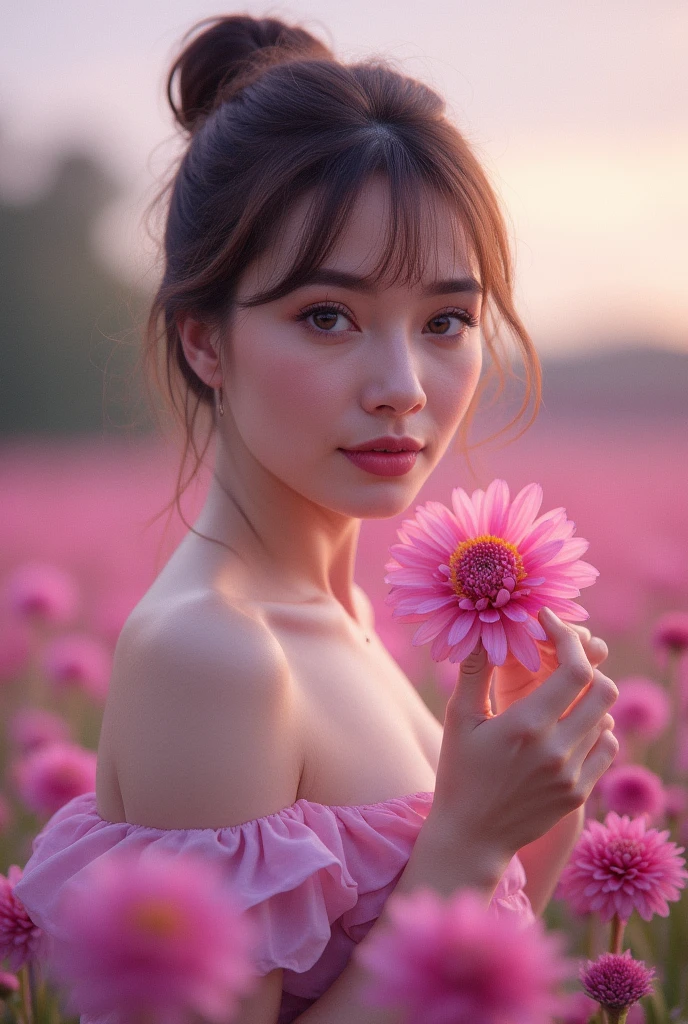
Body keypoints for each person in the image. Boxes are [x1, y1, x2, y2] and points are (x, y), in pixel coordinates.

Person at [13, 14, 619, 1024]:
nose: (400, 387)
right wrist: (464, 844)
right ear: (206, 343)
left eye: (445, 322)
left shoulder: (342, 621)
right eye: (327, 316)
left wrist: (539, 803)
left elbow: (454, 984)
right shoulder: (211, 653)